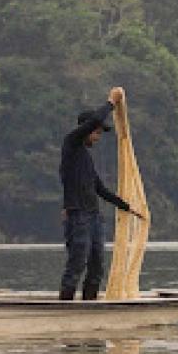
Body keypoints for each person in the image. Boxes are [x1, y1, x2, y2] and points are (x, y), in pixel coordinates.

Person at [58, 93, 142, 300]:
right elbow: (95, 119)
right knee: (78, 262)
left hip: (94, 217)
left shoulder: (86, 158)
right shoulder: (71, 145)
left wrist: (126, 206)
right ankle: (64, 307)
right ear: (85, 130)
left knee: (97, 266)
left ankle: (90, 304)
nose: (97, 136)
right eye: (95, 132)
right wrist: (111, 103)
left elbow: (100, 189)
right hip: (78, 216)